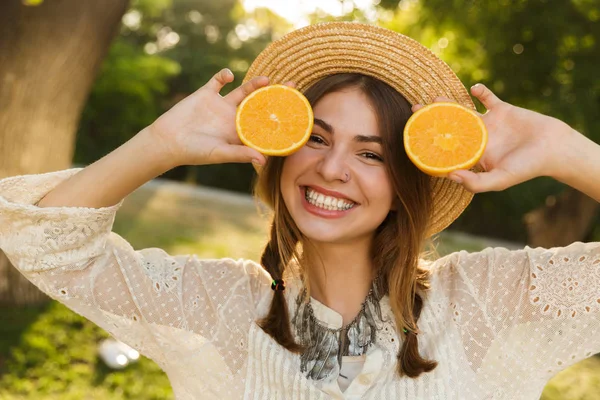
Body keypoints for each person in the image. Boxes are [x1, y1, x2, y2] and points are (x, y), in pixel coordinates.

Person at [0, 22, 599, 400]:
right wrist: (159, 143)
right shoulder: (214, 306)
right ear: (282, 153)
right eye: (316, 138)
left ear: (409, 180)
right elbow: (43, 244)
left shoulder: (493, 299)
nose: (332, 168)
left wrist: (568, 152)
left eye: (372, 153)